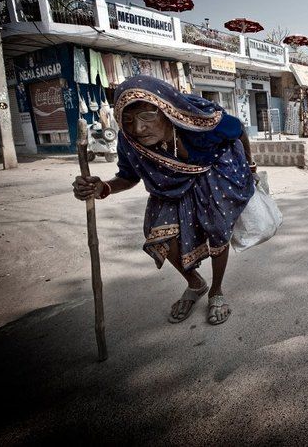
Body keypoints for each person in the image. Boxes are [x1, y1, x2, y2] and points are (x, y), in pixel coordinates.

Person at [72, 76, 256, 326]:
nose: (138, 128)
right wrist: (102, 188)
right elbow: (127, 177)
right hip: (168, 186)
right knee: (160, 235)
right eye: (128, 120)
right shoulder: (130, 141)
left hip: (211, 175)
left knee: (216, 229)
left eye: (147, 116)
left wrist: (249, 164)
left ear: (165, 109)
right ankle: (196, 284)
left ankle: (216, 291)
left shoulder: (199, 119)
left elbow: (238, 130)